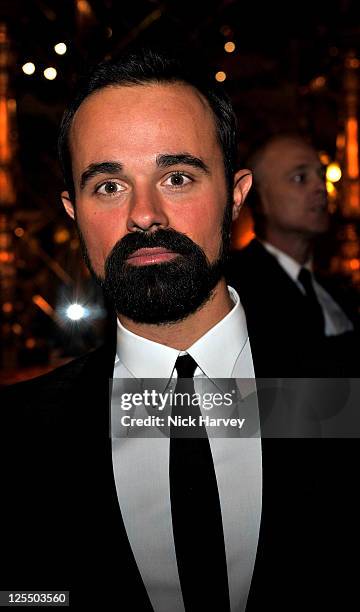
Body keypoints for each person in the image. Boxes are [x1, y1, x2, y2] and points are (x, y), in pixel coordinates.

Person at [0, 51, 358, 611]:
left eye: (178, 177)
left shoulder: (341, 397)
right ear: (72, 210)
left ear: (237, 197)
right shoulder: (17, 438)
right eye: (109, 186)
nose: (145, 214)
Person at [227, 134, 359, 376]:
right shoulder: (234, 290)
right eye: (300, 178)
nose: (321, 188)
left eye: (321, 175)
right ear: (259, 198)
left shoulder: (338, 290)